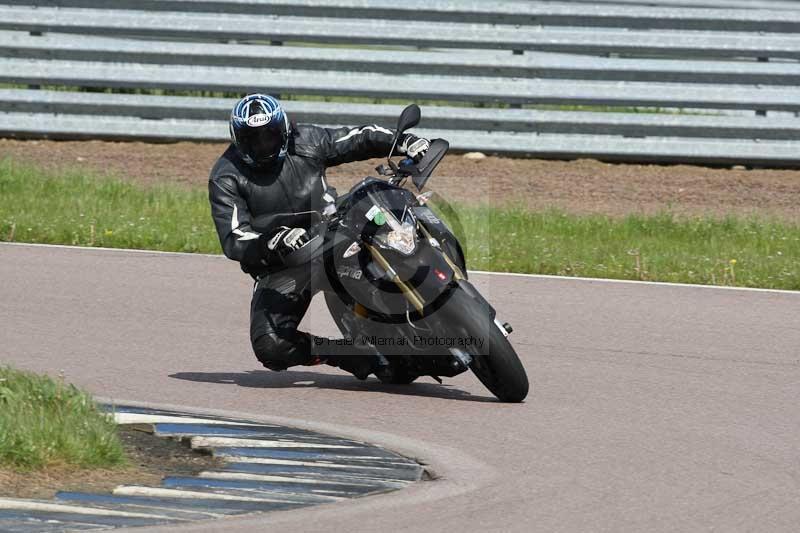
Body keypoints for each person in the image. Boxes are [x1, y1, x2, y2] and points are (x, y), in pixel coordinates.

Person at [209, 93, 429, 379]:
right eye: (254, 139)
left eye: (270, 135)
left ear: (284, 130)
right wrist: (273, 241)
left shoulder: (307, 139)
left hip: (336, 228)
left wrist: (402, 142)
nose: (263, 145)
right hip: (285, 263)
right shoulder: (226, 176)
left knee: (389, 210)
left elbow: (356, 137)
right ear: (238, 140)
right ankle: (343, 354)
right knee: (270, 346)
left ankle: (435, 276)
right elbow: (234, 238)